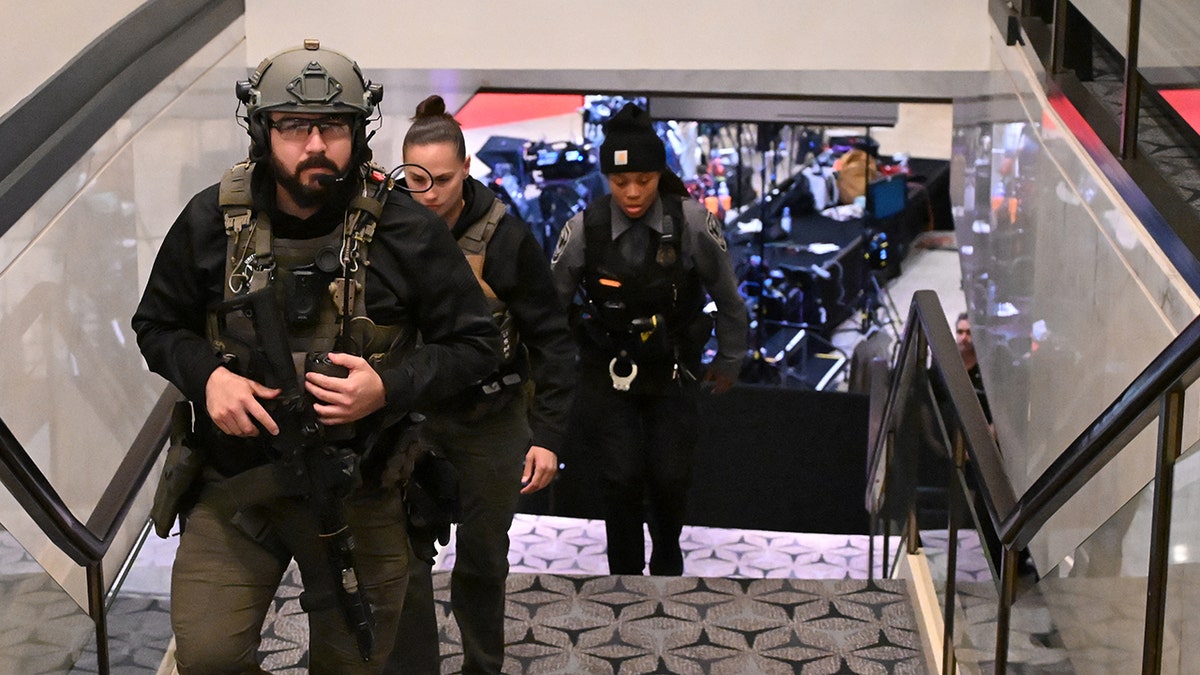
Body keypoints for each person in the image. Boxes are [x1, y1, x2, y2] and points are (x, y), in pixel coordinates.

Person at [131, 41, 499, 673]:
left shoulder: (405, 230)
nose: (315, 145)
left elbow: (476, 344)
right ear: (261, 128)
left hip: (361, 485)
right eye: (293, 126)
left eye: (333, 126)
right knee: (209, 656)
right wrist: (209, 377)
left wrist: (387, 386)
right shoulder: (209, 221)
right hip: (236, 486)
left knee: (354, 661)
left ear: (359, 132)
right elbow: (157, 326)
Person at [387, 95, 578, 674]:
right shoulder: (385, 229)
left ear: (466, 169)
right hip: (409, 419)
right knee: (400, 557)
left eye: (443, 179)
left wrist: (545, 435)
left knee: (482, 559)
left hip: (489, 419)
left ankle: (481, 666)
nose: (430, 194)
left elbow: (552, 339)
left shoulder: (506, 238)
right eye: (416, 179)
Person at [550, 103, 748, 576]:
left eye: (644, 179)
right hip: (609, 369)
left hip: (674, 367)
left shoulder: (692, 223)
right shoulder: (583, 230)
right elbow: (550, 308)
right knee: (619, 478)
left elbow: (728, 296)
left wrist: (731, 356)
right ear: (605, 179)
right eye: (620, 182)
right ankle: (623, 576)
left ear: (660, 173)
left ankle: (667, 556)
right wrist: (549, 375)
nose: (633, 192)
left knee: (670, 476)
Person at [955, 311, 991, 424]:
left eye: (969, 333)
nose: (963, 337)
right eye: (960, 332)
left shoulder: (985, 365)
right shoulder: (948, 359)